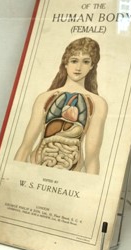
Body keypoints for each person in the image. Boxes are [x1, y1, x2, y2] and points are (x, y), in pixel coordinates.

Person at [14, 37, 108, 174]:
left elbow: (92, 156)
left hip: (72, 174)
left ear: (92, 66)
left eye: (86, 62)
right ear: (66, 63)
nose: (78, 67)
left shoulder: (98, 103)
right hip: (35, 168)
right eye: (74, 61)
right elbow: (26, 146)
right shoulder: (44, 98)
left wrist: (90, 191)